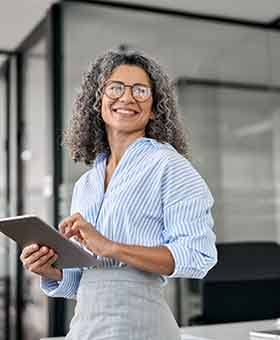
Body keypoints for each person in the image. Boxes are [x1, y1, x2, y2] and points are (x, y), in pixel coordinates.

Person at [20, 49, 217, 340]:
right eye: (115, 88)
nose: (127, 98)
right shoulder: (86, 184)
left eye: (140, 90)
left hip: (140, 323)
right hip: (86, 326)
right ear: (97, 101)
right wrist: (49, 269)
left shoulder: (169, 166)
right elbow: (83, 280)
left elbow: (198, 255)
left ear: (155, 106)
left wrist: (111, 247)